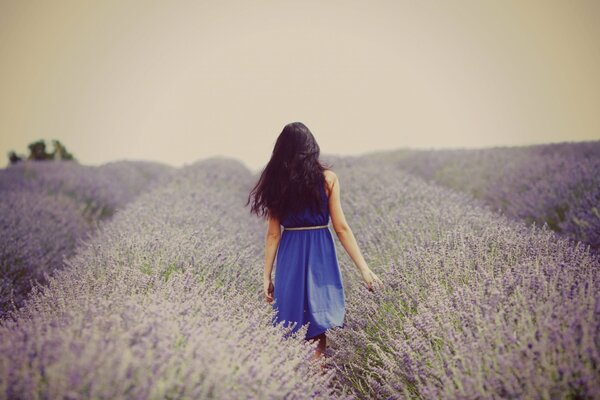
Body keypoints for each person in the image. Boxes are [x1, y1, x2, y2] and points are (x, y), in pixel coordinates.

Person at [246, 122, 384, 369]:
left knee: (292, 324)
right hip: (320, 252)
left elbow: (273, 235)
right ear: (311, 148)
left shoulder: (277, 182)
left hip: (290, 254)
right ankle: (317, 376)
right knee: (318, 322)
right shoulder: (327, 179)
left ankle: (298, 380)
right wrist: (364, 269)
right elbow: (341, 228)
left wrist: (266, 276)